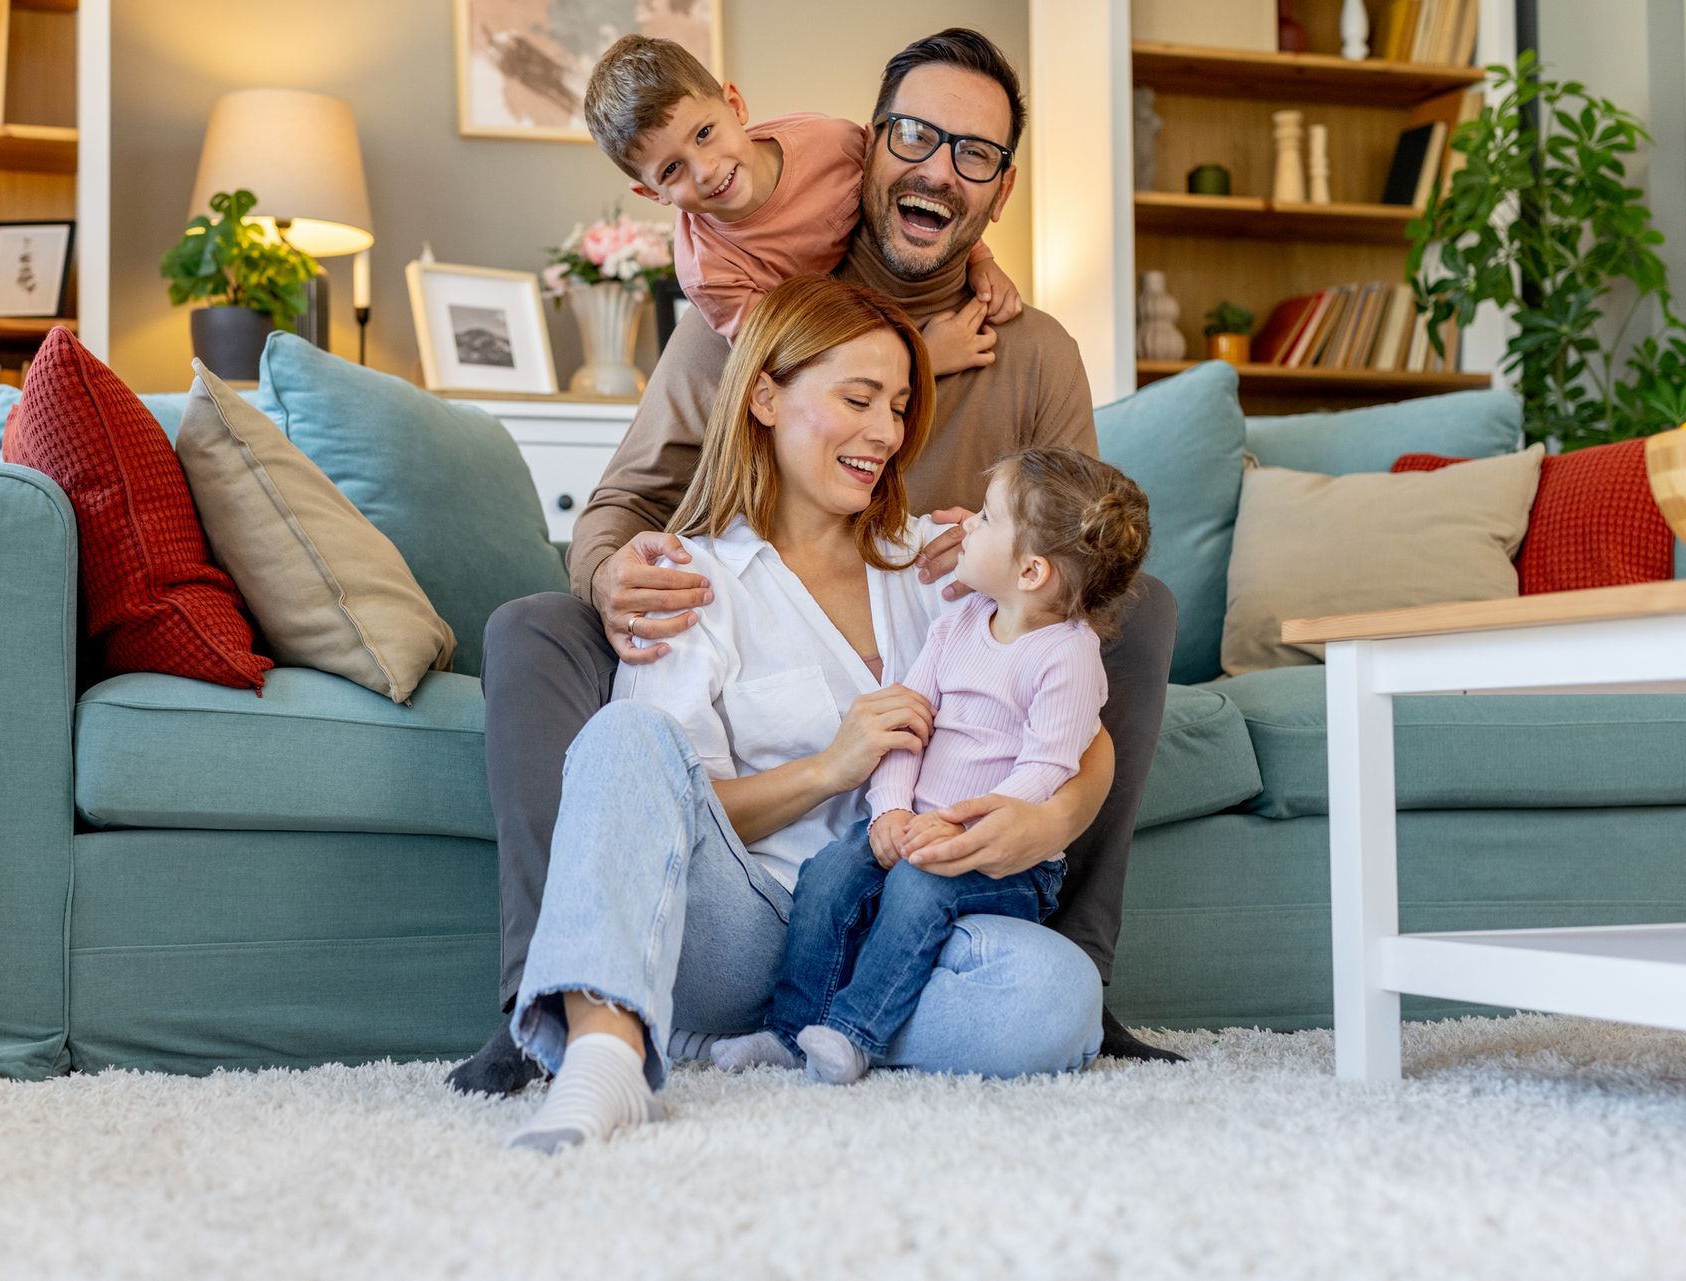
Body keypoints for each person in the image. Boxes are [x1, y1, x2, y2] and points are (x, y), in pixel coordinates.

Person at [451, 28, 1180, 1099]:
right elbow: (623, 502)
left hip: (947, 643)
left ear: (1000, 189)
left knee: (1137, 607)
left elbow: (1067, 615)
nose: (937, 168)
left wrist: (1052, 809)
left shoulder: (1031, 350)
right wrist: (611, 575)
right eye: (915, 137)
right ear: (869, 147)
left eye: (972, 154)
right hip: (760, 630)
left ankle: (1058, 969)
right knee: (535, 629)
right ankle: (553, 999)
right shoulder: (755, 314)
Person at [506, 274, 1104, 1154]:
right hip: (749, 923)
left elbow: (1083, 728)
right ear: (765, 396)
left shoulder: (941, 566)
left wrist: (1043, 817)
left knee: (1054, 995)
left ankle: (818, 1033)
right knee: (623, 735)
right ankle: (605, 1062)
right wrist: (832, 766)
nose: (885, 433)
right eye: (857, 398)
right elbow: (671, 802)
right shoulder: (692, 581)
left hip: (896, 924)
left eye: (899, 406)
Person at [709, 447, 1151, 1086]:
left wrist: (959, 827)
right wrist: (890, 809)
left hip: (1000, 856)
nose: (965, 524)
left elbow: (1048, 766)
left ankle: (856, 1034)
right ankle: (788, 1029)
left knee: (919, 886)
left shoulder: (1067, 658)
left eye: (986, 519)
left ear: (1030, 571)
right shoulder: (961, 623)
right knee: (830, 874)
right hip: (914, 825)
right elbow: (906, 726)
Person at [583, 33, 1021, 361]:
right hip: (825, 333)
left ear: (735, 106)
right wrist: (922, 355)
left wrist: (982, 260)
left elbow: (916, 189)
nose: (706, 169)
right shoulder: (709, 272)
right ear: (650, 192)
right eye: (672, 170)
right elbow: (786, 357)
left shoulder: (830, 143)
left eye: (704, 134)